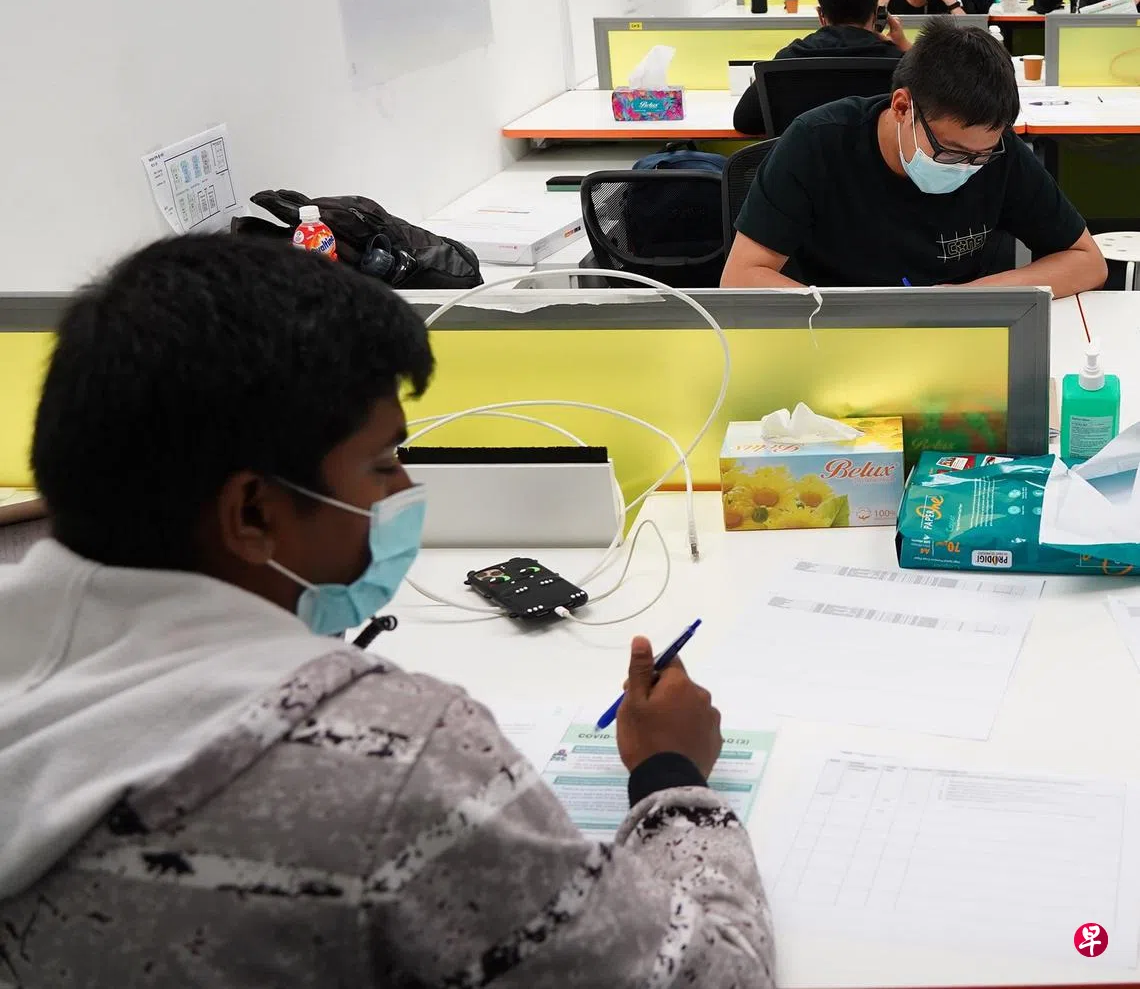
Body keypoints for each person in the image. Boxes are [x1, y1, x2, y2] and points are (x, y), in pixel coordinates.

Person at [0, 237, 774, 987]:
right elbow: (719, 974)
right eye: (381, 464)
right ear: (252, 512)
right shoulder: (395, 764)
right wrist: (671, 773)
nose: (404, 492)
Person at [721, 20, 1107, 295]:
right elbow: (740, 277)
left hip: (957, 334)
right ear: (902, 107)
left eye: (980, 157)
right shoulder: (816, 142)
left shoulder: (996, 149)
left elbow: (1087, 261)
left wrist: (971, 295)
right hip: (835, 336)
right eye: (950, 152)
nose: (967, 168)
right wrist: (860, 317)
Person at [733, 0, 907, 134]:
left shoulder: (787, 60)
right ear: (876, 14)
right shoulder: (898, 64)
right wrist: (906, 50)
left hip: (801, 153)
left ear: (820, 15)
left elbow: (743, 121)